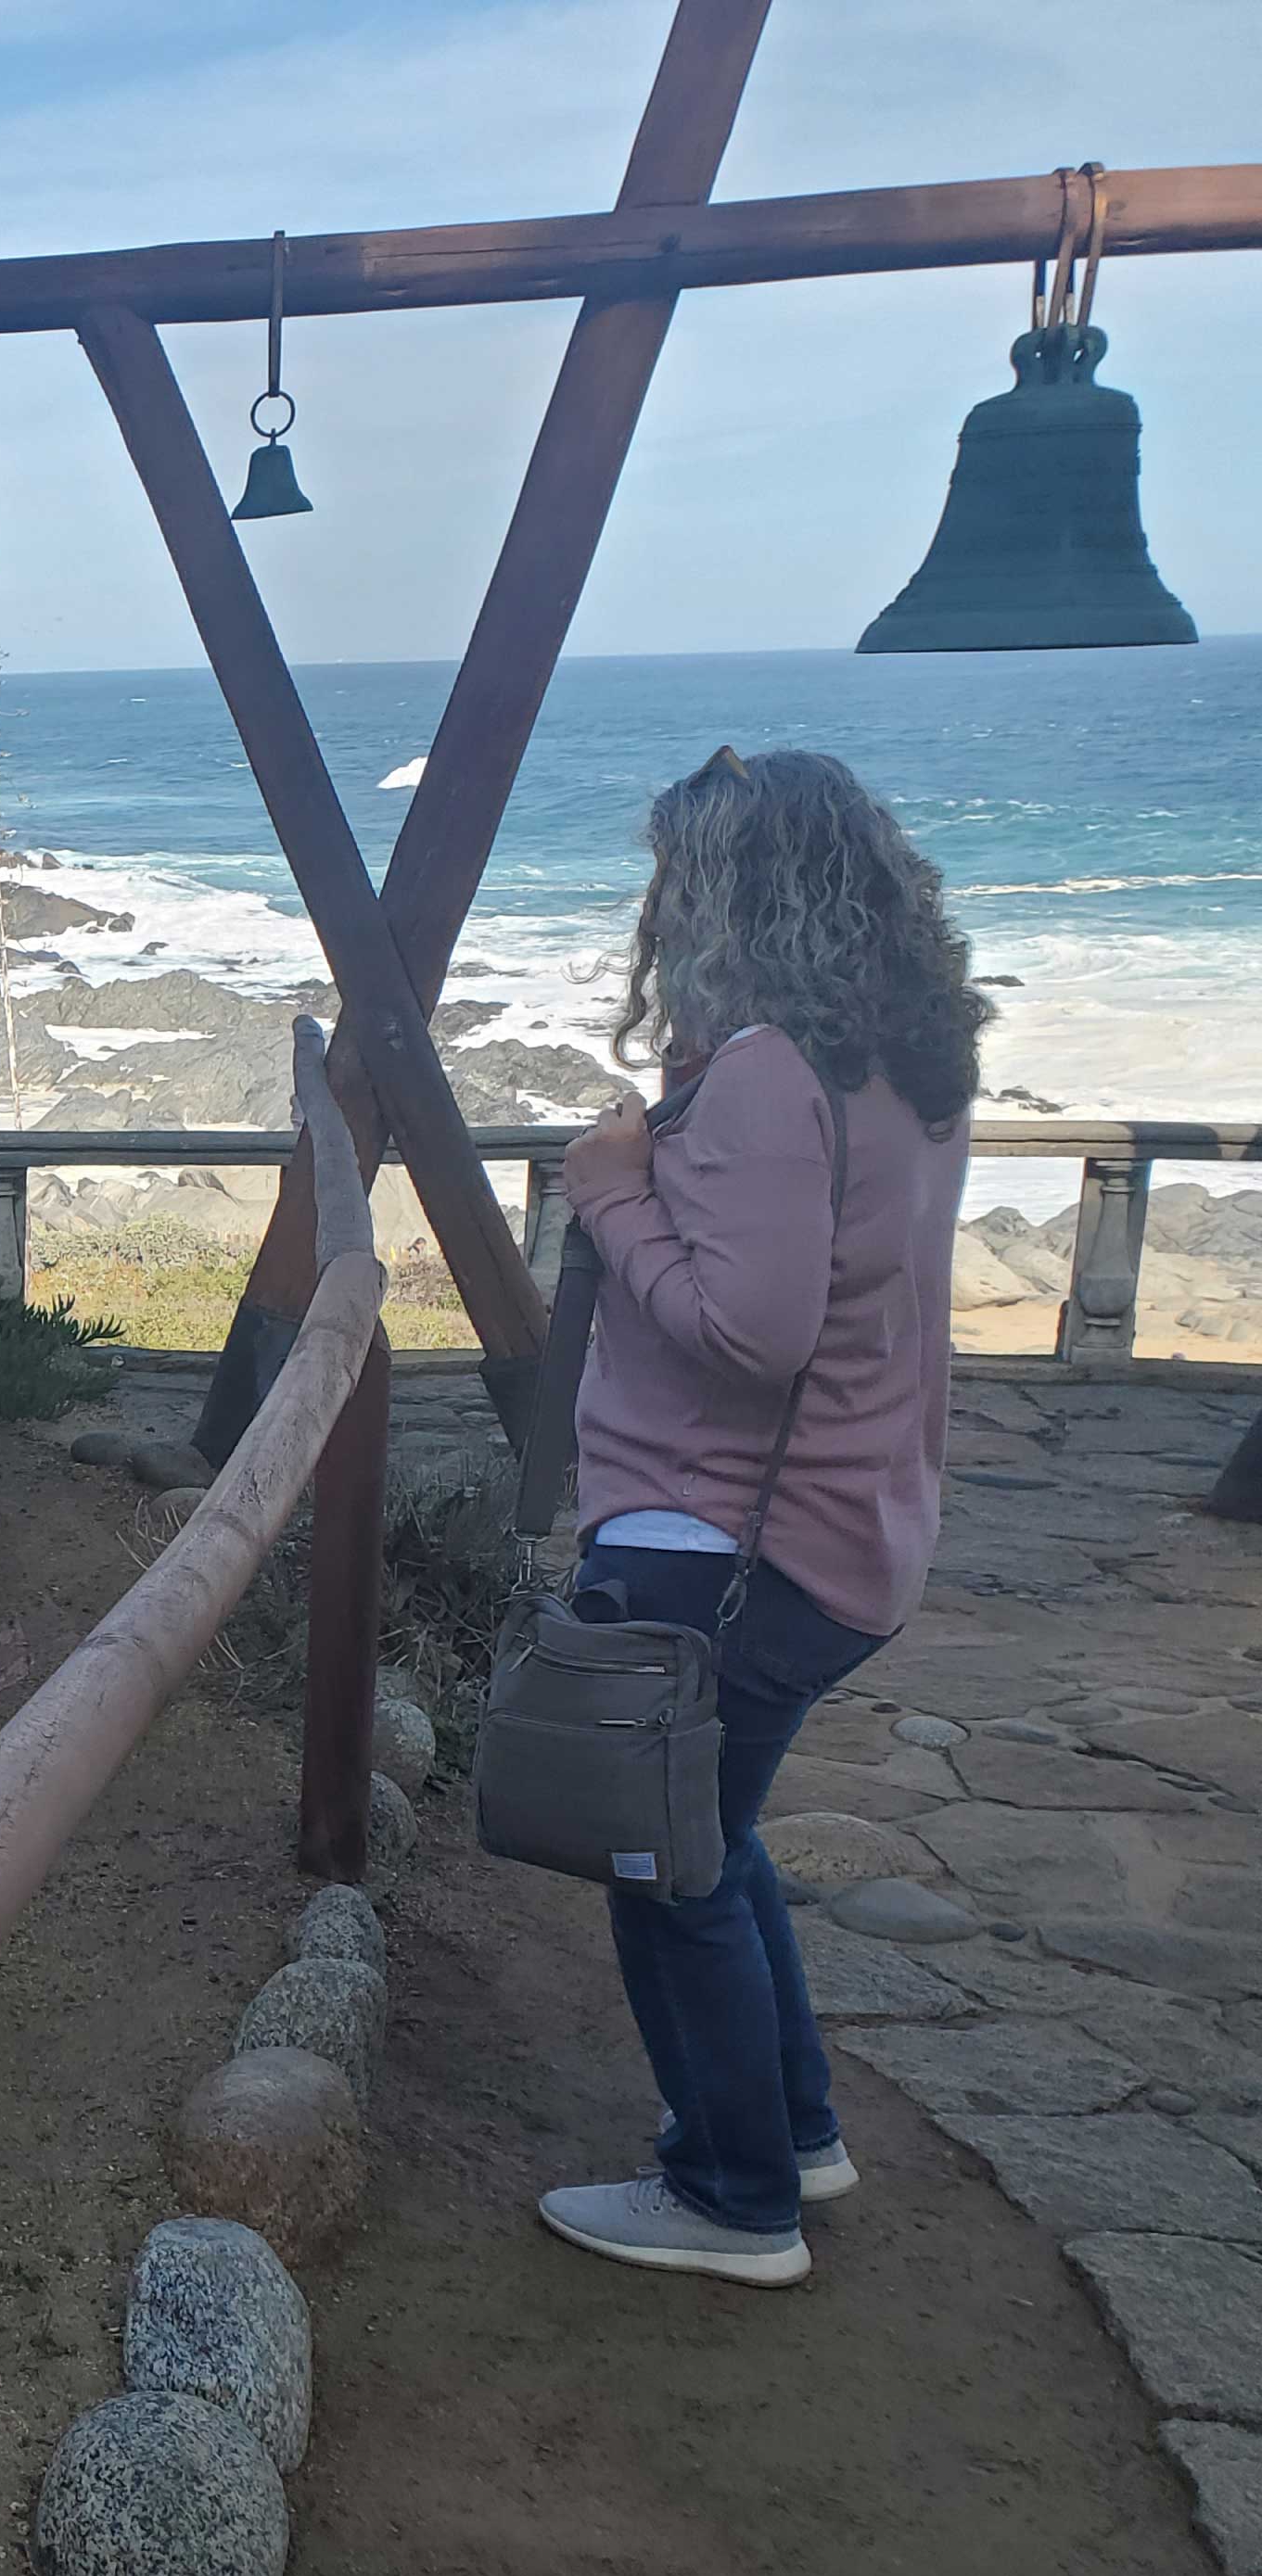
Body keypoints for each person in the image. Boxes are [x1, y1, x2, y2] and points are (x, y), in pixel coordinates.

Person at [536, 746, 987, 2289]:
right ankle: (791, 2131)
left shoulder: (768, 1077)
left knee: (663, 1868)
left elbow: (753, 1332)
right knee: (713, 1839)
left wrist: (612, 1185)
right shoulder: (909, 1063)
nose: (659, 910)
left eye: (676, 880)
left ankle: (734, 2199)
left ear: (729, 895)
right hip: (850, 1529)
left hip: (725, 1545)